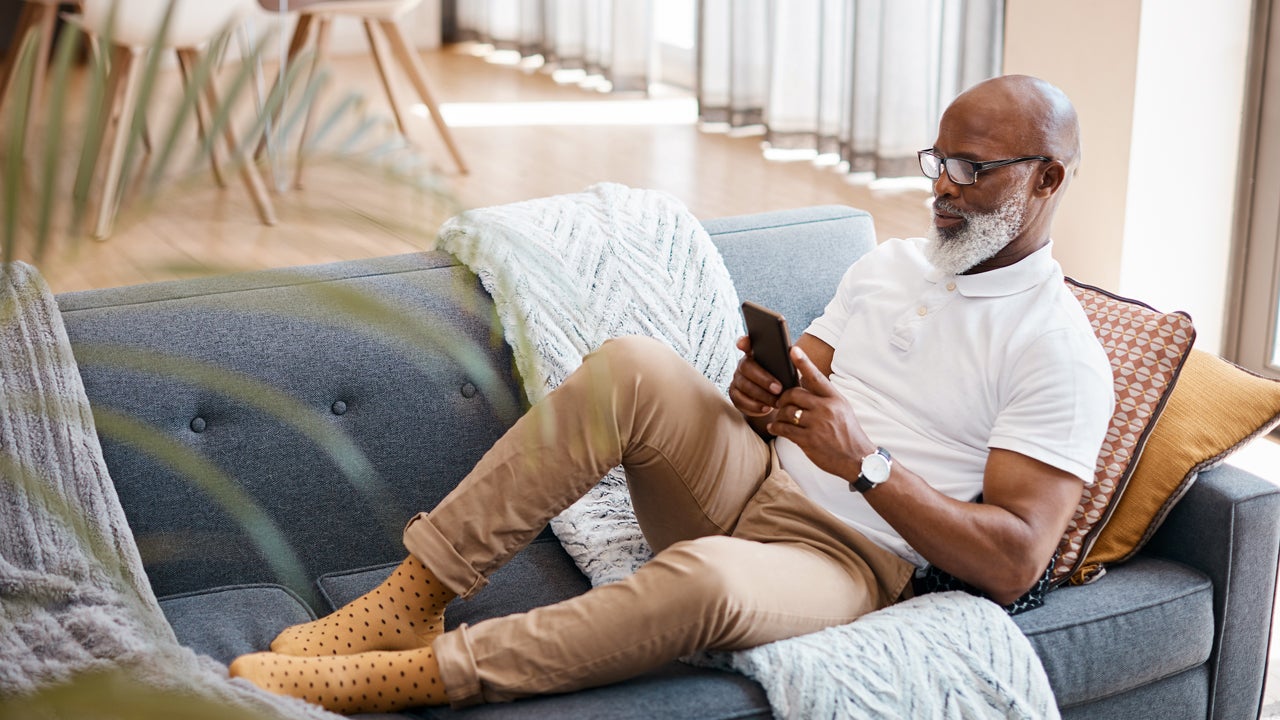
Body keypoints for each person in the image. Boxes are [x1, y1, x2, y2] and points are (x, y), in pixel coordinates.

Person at [229, 74, 1114, 714]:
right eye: (939, 161)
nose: (944, 189)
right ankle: (413, 599)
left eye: (975, 170)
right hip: (753, 486)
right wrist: (758, 389)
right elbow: (787, 388)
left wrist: (866, 464)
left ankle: (423, 678)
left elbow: (1011, 561)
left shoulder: (1058, 350)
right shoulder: (888, 266)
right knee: (634, 364)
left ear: (1048, 179)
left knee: (710, 579)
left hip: (851, 563)